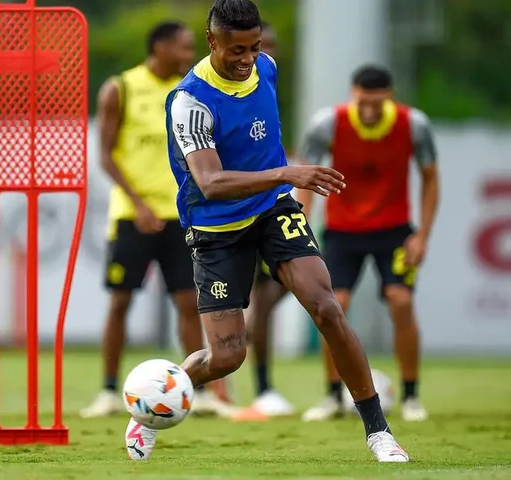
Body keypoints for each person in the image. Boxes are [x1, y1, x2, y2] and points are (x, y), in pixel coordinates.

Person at [125, 0, 409, 463]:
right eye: (236, 49)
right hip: (217, 228)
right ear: (212, 41)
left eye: (254, 47)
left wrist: (280, 182)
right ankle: (153, 399)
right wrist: (286, 173)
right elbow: (212, 184)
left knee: (327, 309)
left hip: (273, 210)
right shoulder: (190, 102)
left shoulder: (267, 68)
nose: (246, 59)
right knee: (226, 357)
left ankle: (379, 432)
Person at [81, 21, 233, 419]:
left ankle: (194, 391)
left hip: (182, 217)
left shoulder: (192, 89)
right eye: (183, 48)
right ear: (160, 46)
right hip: (134, 216)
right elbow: (106, 155)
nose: (189, 55)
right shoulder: (122, 88)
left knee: (188, 302)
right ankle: (109, 391)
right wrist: (139, 203)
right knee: (120, 301)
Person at [299, 65, 439, 423]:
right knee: (334, 305)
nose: (371, 109)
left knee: (401, 301)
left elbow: (430, 179)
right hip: (342, 231)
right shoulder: (328, 124)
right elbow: (306, 176)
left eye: (378, 102)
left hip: (394, 231)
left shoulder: (414, 125)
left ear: (389, 97)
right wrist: (299, 225)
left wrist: (422, 235)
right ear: (353, 94)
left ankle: (411, 396)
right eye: (364, 101)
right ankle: (332, 396)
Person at [228, 20, 295, 420]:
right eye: (254, 47)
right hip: (234, 213)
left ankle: (264, 387)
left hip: (272, 207)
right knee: (243, 305)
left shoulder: (266, 81)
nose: (259, 56)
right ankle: (254, 386)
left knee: (271, 298)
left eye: (266, 47)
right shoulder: (214, 91)